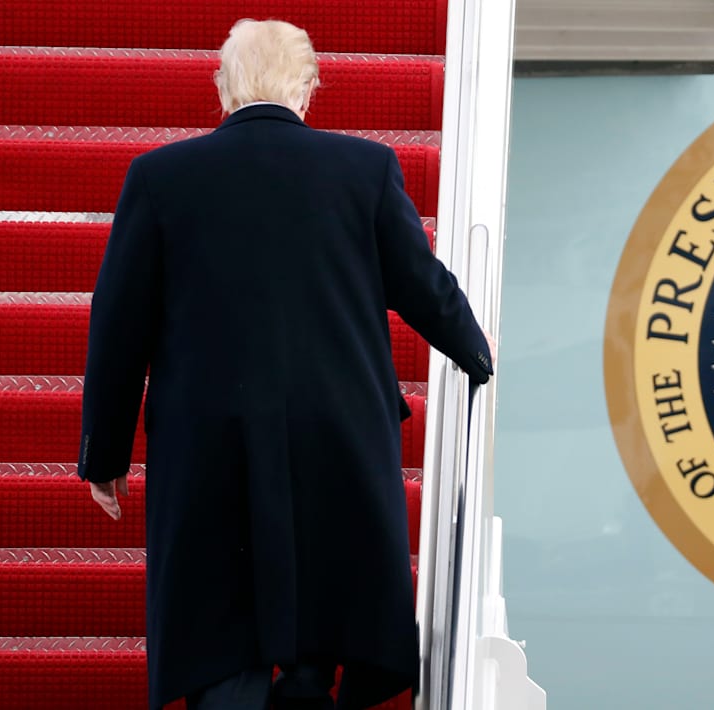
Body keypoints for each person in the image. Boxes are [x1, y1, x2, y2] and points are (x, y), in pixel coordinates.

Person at [77, 18, 494, 710]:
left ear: (224, 89)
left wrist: (105, 452)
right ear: (306, 89)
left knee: (219, 628)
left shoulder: (160, 176)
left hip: (207, 438)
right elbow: (423, 285)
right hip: (334, 430)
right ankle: (307, 684)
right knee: (323, 612)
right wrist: (476, 352)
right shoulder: (364, 169)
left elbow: (120, 323)